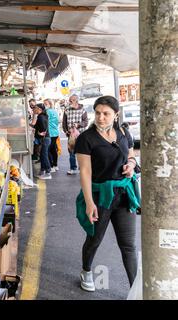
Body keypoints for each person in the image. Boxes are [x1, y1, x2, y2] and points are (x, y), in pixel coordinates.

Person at [75, 95, 140, 292]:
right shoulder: (86, 139)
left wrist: (131, 164)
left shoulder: (123, 132)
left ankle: (136, 291)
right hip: (99, 196)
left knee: (128, 246)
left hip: (124, 195)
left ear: (116, 115)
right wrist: (88, 203)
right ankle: (86, 270)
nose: (101, 117)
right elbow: (85, 172)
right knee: (94, 239)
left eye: (106, 113)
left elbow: (131, 155)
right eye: (98, 113)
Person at [62, 94, 88, 175]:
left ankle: (82, 168)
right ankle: (73, 168)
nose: (69, 102)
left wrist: (78, 125)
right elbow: (64, 122)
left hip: (81, 135)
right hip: (71, 135)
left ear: (76, 101)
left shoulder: (83, 110)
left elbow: (86, 122)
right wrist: (66, 131)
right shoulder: (67, 110)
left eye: (71, 100)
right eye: (69, 100)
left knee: (82, 152)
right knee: (71, 152)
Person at [31, 103, 51, 179]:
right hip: (45, 139)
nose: (33, 109)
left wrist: (40, 133)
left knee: (44, 155)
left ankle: (48, 172)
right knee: (42, 155)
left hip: (44, 139)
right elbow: (35, 126)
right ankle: (43, 171)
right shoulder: (41, 116)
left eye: (35, 108)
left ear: (39, 109)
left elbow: (43, 129)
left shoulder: (41, 117)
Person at [44, 99, 60, 172]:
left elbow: (45, 122)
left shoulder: (47, 112)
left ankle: (51, 166)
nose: (44, 105)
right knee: (53, 149)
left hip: (50, 133)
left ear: (50, 104)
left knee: (48, 150)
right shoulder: (55, 111)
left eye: (46, 104)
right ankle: (55, 165)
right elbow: (58, 121)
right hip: (55, 132)